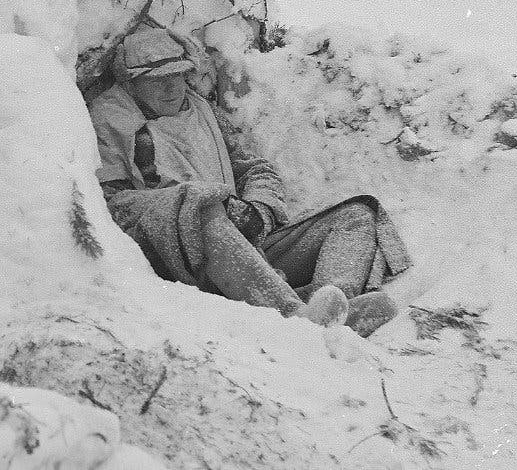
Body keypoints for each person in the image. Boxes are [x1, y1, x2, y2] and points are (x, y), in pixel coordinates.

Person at [88, 27, 410, 337]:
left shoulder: (203, 111)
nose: (172, 88)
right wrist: (192, 202)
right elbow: (112, 203)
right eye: (157, 80)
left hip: (246, 251)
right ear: (132, 84)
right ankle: (294, 320)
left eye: (177, 75)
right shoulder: (111, 121)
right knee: (199, 208)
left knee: (357, 214)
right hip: (185, 255)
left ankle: (332, 305)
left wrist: (258, 210)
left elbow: (255, 169)